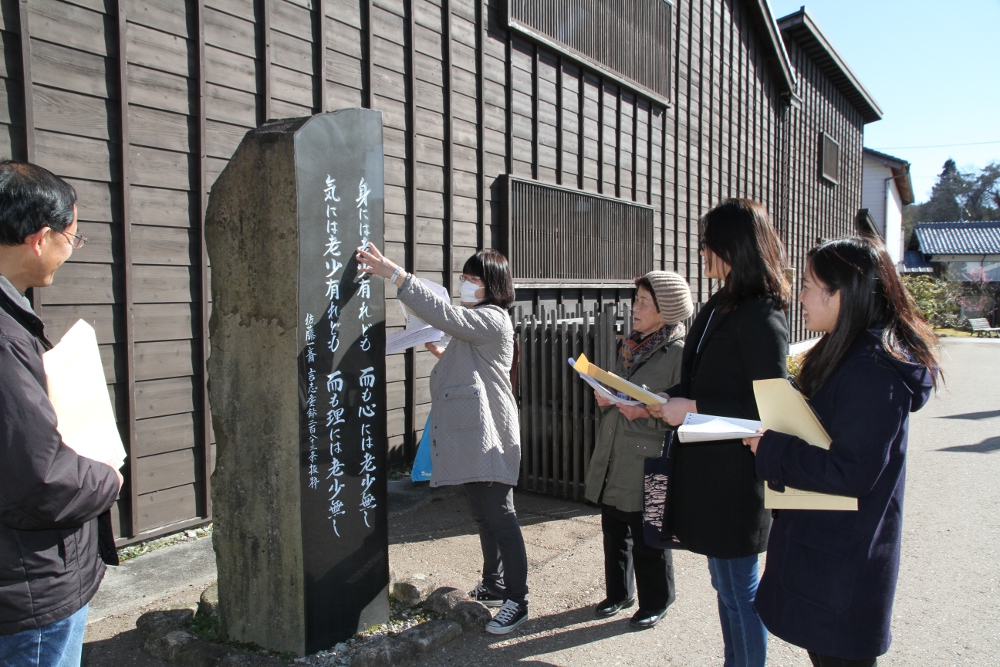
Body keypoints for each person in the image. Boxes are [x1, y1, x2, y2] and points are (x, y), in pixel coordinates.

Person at [744, 236, 939, 667]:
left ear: (843, 294)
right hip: (830, 553)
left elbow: (851, 470)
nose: (801, 295)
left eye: (812, 284)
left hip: (842, 564)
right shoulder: (850, 353)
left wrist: (772, 447)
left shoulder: (872, 371)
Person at [355, 243, 529, 635]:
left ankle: (518, 600)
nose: (466, 285)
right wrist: (441, 352)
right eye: (464, 278)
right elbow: (472, 365)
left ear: (494, 285)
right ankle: (494, 583)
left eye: (473, 279)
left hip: (490, 433)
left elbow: (446, 315)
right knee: (484, 514)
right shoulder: (474, 321)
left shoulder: (494, 318)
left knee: (501, 517)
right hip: (475, 434)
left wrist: (395, 275)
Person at [647, 198, 790, 667]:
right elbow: (701, 382)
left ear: (731, 246)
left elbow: (770, 407)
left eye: (708, 242)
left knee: (739, 592)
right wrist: (653, 398)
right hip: (707, 472)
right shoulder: (719, 305)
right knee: (725, 587)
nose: (702, 251)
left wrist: (693, 407)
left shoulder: (762, 314)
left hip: (736, 477)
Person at [0, 160, 123, 666]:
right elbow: (39, 478)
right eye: (73, 238)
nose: (70, 251)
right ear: (40, 238)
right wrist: (107, 476)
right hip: (27, 583)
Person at [584, 271, 692, 630]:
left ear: (667, 309)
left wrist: (644, 410)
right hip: (616, 448)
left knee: (649, 534)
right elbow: (620, 390)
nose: (635, 308)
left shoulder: (678, 352)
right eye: (636, 300)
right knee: (613, 525)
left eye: (645, 302)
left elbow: (681, 412)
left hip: (650, 455)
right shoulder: (629, 344)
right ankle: (618, 593)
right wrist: (606, 397)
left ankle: (656, 601)